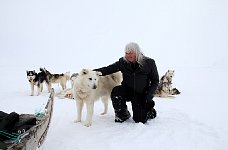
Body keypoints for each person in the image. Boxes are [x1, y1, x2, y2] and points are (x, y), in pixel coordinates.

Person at [94, 42, 159, 123]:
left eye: (131, 53)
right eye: (126, 53)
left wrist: (149, 95)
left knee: (139, 120)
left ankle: (150, 111)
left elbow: (155, 81)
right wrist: (92, 72)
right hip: (128, 90)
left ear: (137, 52)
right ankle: (122, 114)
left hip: (141, 94)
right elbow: (108, 69)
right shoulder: (123, 62)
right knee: (116, 91)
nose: (128, 55)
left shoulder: (149, 63)